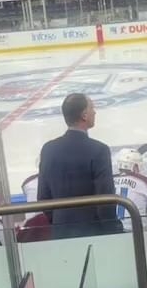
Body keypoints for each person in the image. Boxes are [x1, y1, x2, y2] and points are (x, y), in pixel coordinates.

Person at [37, 93, 122, 239]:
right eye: (92, 108)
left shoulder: (48, 149)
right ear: (84, 115)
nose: (95, 112)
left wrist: (60, 222)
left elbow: (43, 197)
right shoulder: (99, 150)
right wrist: (113, 231)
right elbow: (105, 199)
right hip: (94, 234)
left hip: (61, 232)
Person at [113, 148, 147, 231]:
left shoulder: (110, 181)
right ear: (134, 166)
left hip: (114, 230)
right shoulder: (145, 182)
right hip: (140, 232)